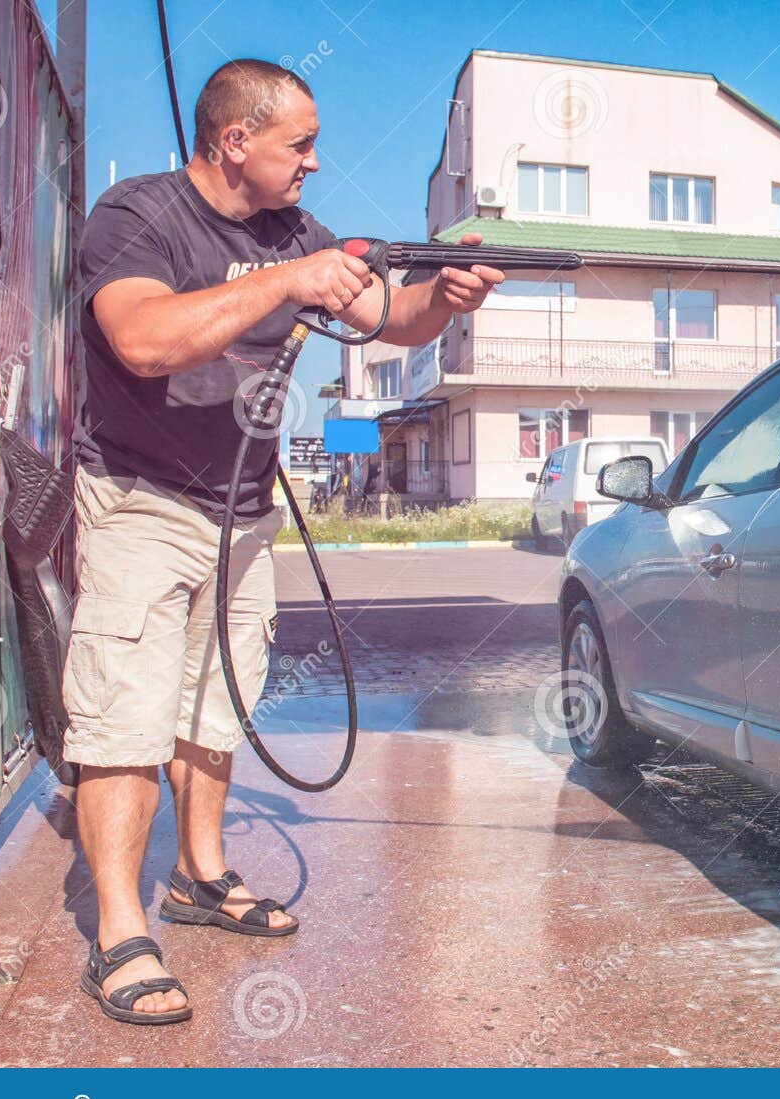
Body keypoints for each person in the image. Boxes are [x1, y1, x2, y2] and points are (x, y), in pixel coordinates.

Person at [67, 58, 502, 1024]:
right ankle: (119, 931)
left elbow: (390, 320)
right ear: (235, 141)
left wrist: (446, 296)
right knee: (124, 720)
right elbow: (142, 340)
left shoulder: (295, 233)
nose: (313, 162)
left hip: (245, 514)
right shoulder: (138, 217)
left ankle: (200, 874)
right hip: (141, 503)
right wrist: (283, 280)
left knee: (217, 705)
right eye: (298, 144)